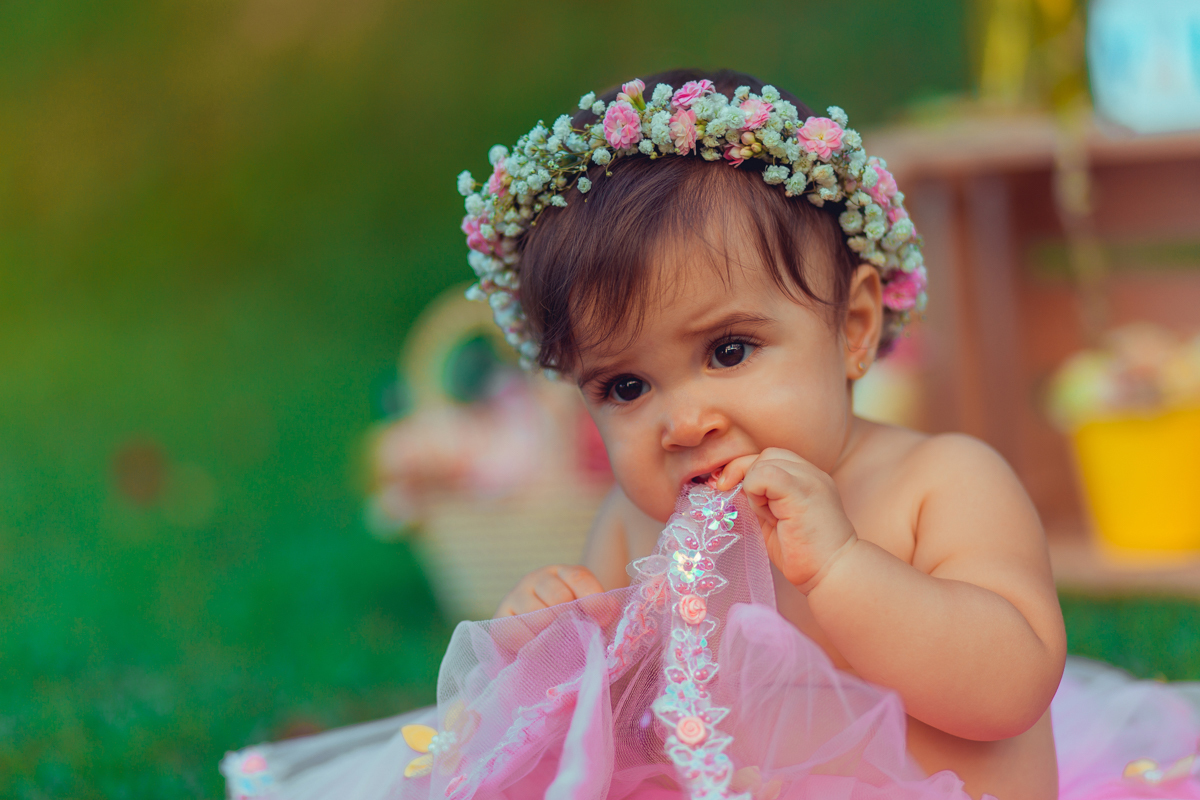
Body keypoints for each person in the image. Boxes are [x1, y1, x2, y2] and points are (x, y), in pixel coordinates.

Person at [222, 70, 1200, 800]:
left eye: (730, 348)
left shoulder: (941, 482)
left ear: (853, 327)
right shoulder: (630, 524)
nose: (684, 417)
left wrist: (847, 569)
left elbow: (1008, 686)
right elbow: (609, 741)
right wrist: (558, 645)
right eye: (628, 383)